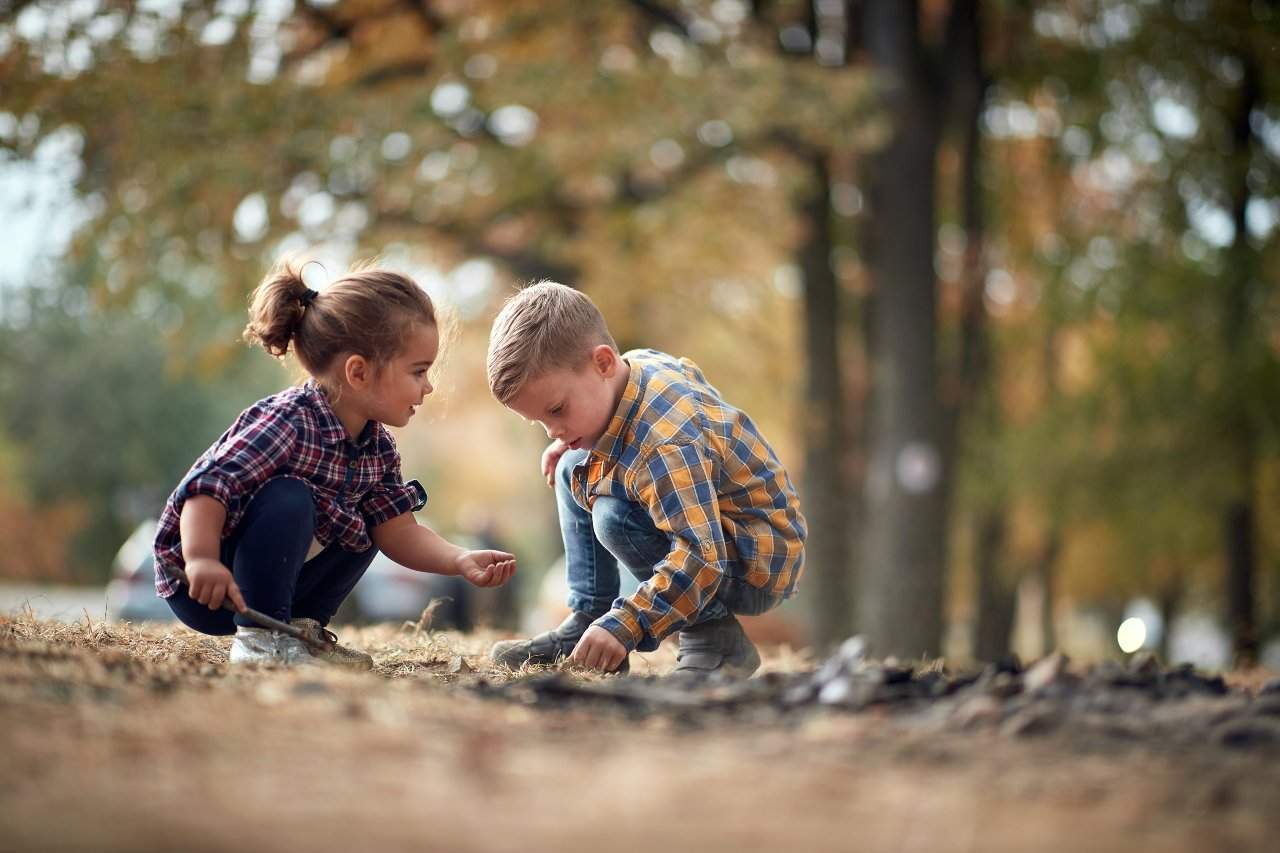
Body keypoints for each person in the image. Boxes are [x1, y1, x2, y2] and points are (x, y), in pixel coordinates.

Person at [152, 260, 515, 668]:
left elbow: (399, 531)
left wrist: (459, 559)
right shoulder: (288, 421)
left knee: (368, 518)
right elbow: (207, 487)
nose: (428, 386)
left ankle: (301, 634)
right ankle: (261, 644)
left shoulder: (377, 448)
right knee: (290, 496)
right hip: (205, 584)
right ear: (358, 372)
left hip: (274, 591)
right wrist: (201, 559)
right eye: (418, 371)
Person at [485, 282, 806, 678]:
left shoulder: (666, 441)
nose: (552, 430)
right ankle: (590, 619)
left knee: (614, 516)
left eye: (557, 410)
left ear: (602, 363)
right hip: (714, 539)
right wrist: (572, 437)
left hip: (753, 560)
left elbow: (702, 555)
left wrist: (628, 624)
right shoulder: (629, 369)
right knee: (573, 468)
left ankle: (716, 640)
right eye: (541, 422)